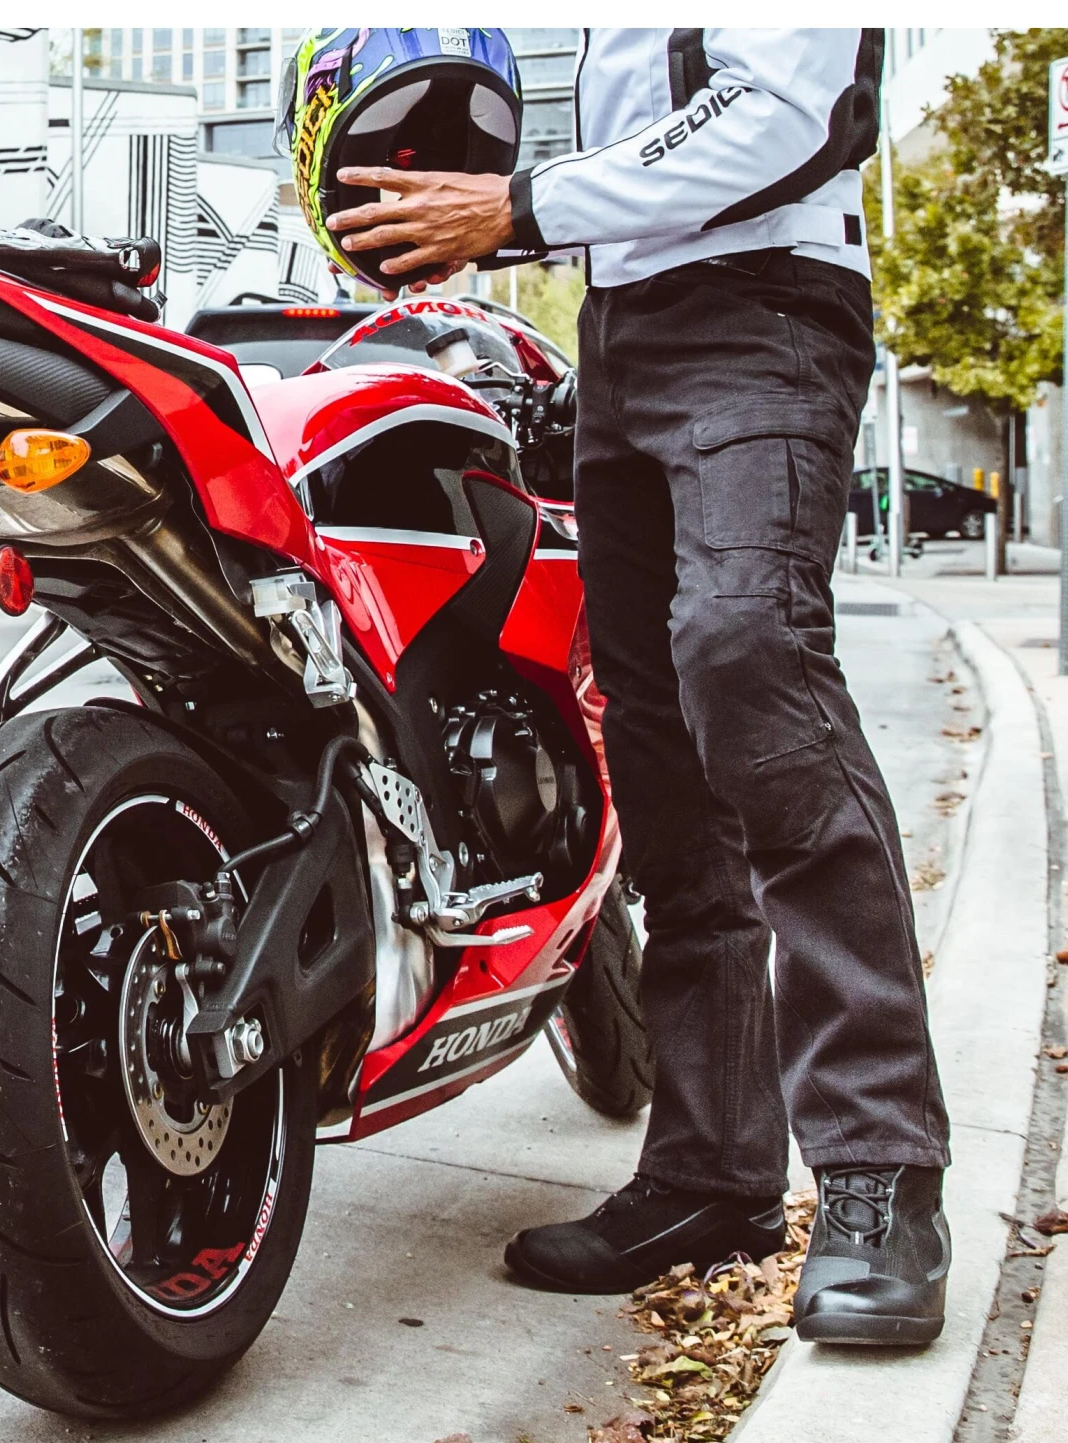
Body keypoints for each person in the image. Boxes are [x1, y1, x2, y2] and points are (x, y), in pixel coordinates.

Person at [309, 27, 951, 1347]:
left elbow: (791, 110)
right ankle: (714, 1171)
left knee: (752, 659)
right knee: (657, 745)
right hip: (622, 334)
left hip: (767, 310)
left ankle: (884, 1172)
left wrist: (521, 207)